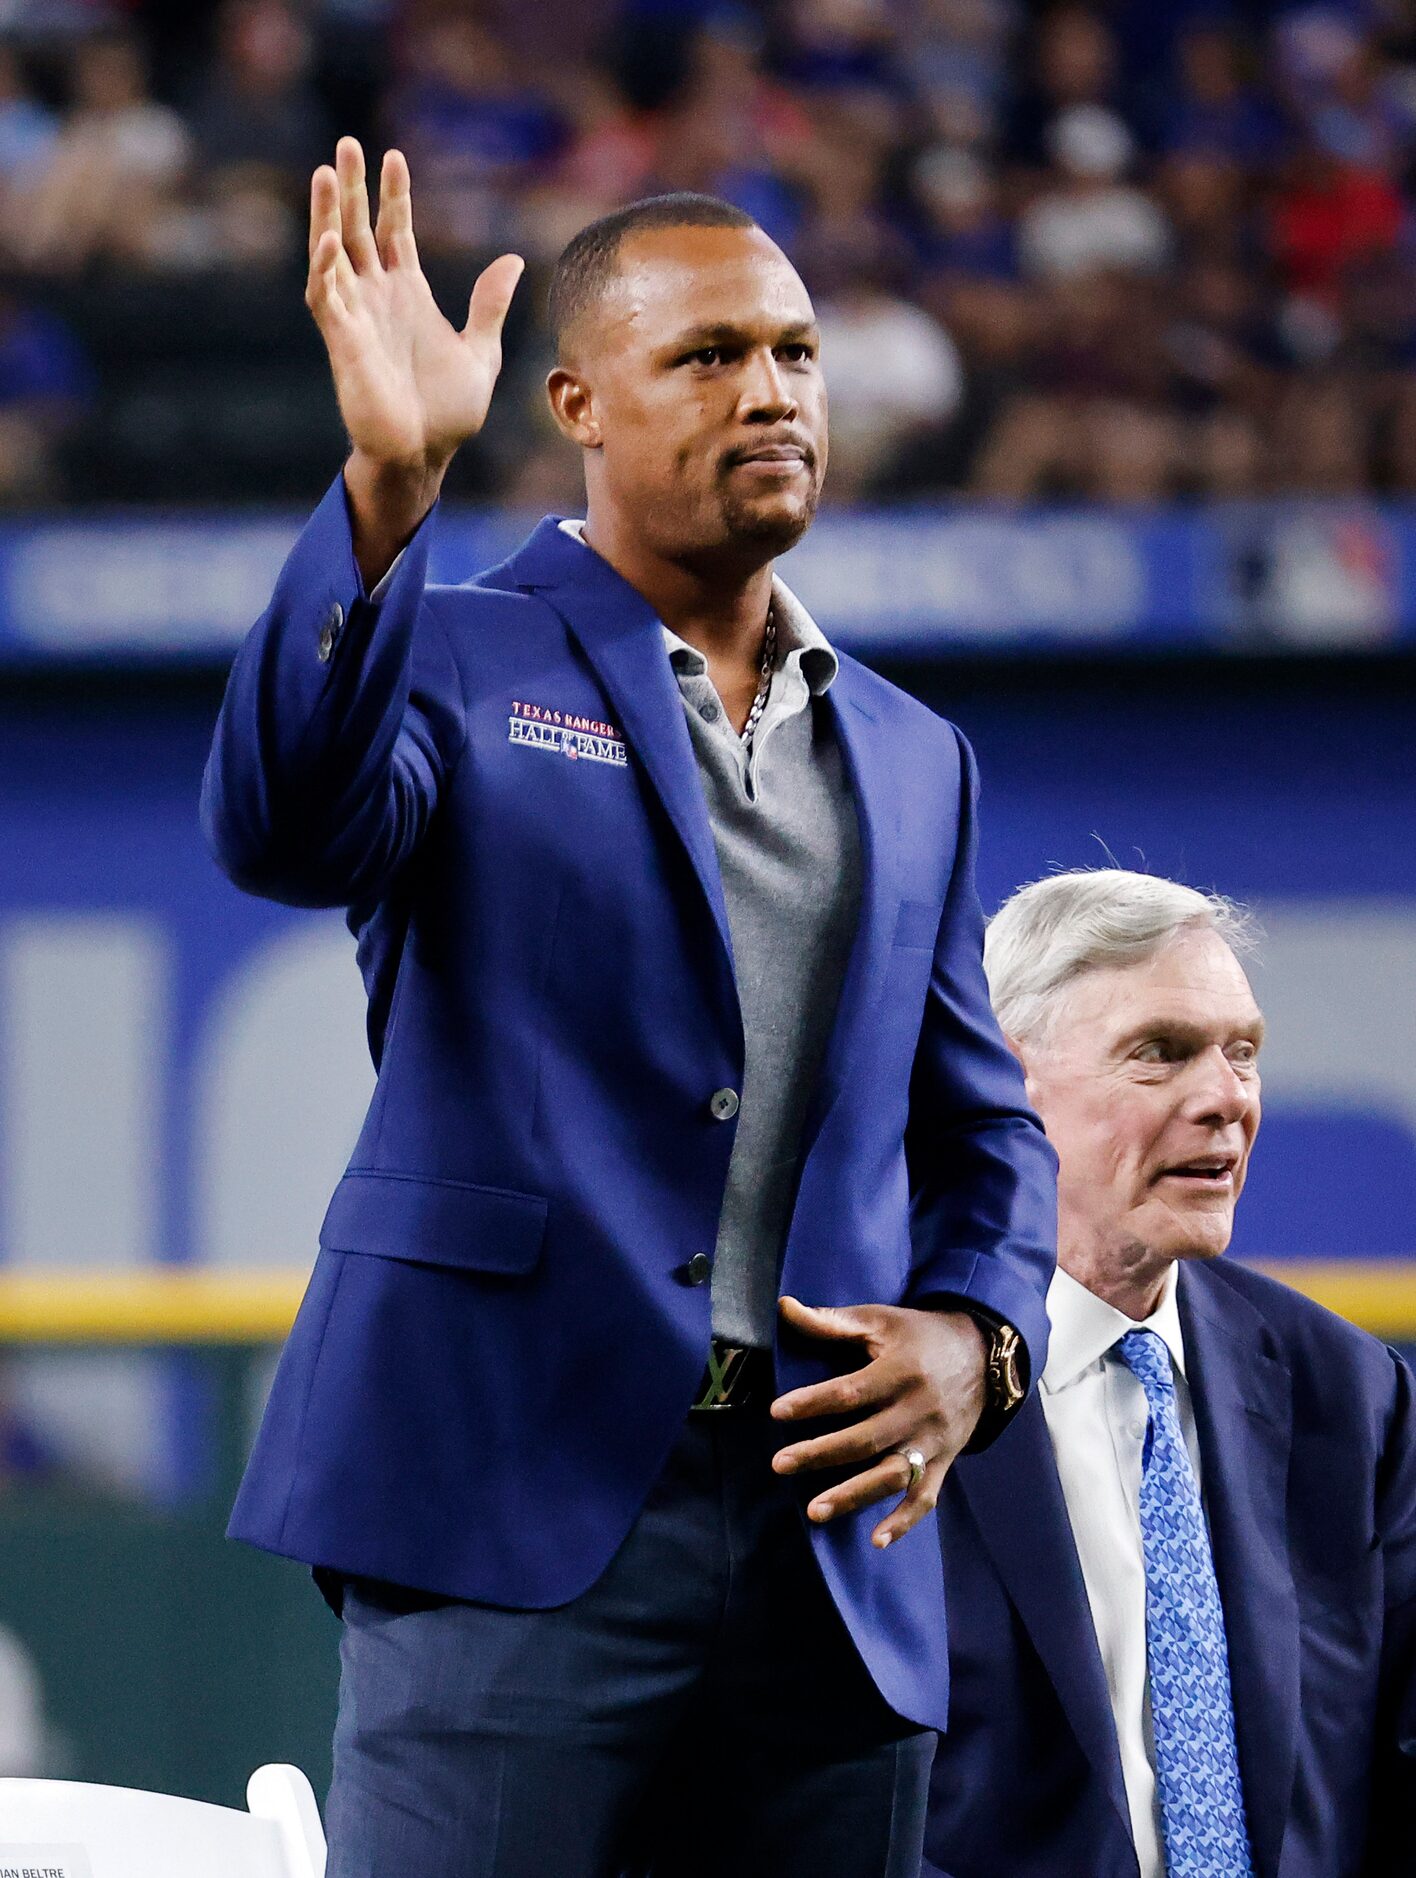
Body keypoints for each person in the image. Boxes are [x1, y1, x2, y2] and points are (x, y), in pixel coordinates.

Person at [201, 138, 1057, 1877]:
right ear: (579, 401)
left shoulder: (911, 750)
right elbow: (284, 828)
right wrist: (385, 486)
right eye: (710, 355)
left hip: (829, 1542)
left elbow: (983, 1129)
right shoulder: (444, 649)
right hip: (506, 1502)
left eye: (796, 354)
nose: (771, 391)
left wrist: (979, 1341)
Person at [923, 869, 1416, 1878]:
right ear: (1001, 1084)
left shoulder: (1351, 1395)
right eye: (1163, 1054)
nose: (1226, 1100)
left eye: (1244, 1054)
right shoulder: (883, 1385)